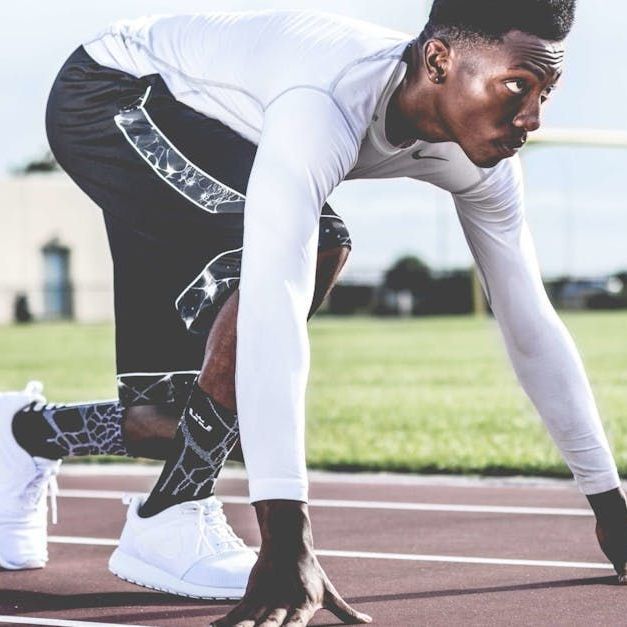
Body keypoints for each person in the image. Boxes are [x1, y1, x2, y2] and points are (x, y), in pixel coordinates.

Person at [2, 0, 626, 624]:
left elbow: (530, 323)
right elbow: (274, 299)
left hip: (217, 127)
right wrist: (285, 538)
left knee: (166, 417)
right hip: (114, 94)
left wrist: (610, 505)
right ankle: (171, 514)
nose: (532, 116)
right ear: (438, 60)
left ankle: (25, 436)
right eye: (517, 84)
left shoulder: (484, 163)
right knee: (317, 246)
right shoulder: (325, 100)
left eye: (547, 91)